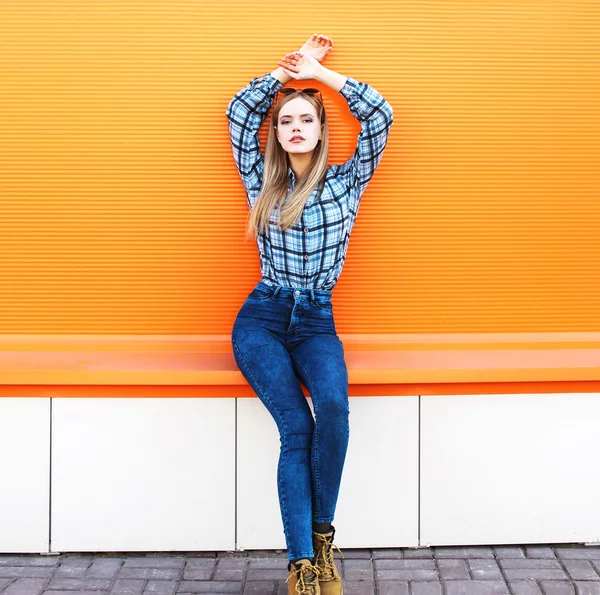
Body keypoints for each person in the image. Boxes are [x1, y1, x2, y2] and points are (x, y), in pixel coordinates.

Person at [225, 33, 393, 595]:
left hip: (317, 321)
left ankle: (323, 539)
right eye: (286, 120)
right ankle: (302, 566)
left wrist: (321, 77)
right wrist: (286, 70)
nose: (295, 126)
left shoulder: (347, 180)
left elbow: (382, 115)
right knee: (296, 430)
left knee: (335, 413)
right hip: (264, 320)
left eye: (306, 119)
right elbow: (237, 111)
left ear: (321, 130)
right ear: (276, 133)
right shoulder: (262, 179)